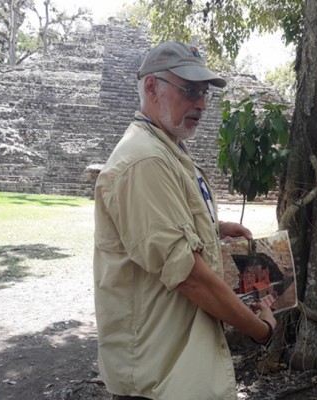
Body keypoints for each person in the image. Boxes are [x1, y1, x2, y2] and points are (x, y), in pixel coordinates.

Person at [93, 41, 277, 400]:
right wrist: (259, 330)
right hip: (158, 371)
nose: (202, 104)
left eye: (204, 93)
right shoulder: (144, 160)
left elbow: (162, 230)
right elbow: (189, 277)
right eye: (190, 90)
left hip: (174, 362)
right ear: (151, 87)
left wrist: (214, 230)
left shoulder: (167, 146)